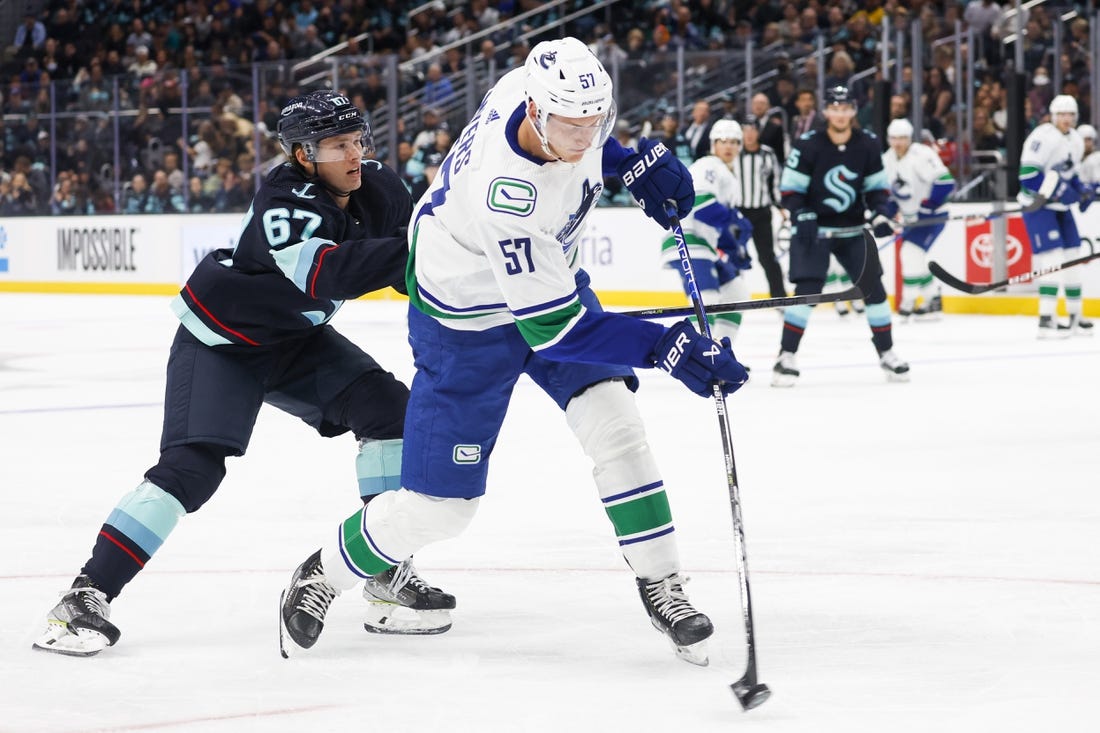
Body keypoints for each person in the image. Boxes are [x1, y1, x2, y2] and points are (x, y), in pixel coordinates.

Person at [277, 37, 748, 666]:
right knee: (440, 510)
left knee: (617, 429)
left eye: (595, 123)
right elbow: (561, 332)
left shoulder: (532, 93)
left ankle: (662, 582)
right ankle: (322, 573)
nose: (584, 138)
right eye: (571, 127)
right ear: (534, 110)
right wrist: (668, 346)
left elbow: (589, 148)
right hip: (465, 323)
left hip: (548, 291)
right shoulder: (508, 193)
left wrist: (628, 161)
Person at [33, 91, 455, 657]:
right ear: (303, 154)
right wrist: (423, 248)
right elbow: (324, 273)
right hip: (222, 342)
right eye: (336, 146)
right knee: (191, 469)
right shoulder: (285, 198)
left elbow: (413, 273)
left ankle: (381, 573)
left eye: (358, 141)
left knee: (390, 414)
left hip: (295, 341)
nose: (354, 156)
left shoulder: (377, 185)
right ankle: (82, 598)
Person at [772, 85, 910, 386]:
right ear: (826, 112)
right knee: (807, 293)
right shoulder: (808, 144)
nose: (840, 113)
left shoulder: (868, 144)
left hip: (851, 231)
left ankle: (887, 353)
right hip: (813, 232)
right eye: (834, 108)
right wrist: (802, 213)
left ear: (852, 111)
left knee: (873, 288)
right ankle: (786, 356)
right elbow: (790, 191)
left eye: (845, 108)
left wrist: (880, 213)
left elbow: (876, 191)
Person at [659, 119, 754, 345]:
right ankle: (703, 358)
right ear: (713, 144)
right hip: (687, 240)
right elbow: (701, 205)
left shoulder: (727, 174)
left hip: (703, 244)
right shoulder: (709, 165)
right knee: (707, 300)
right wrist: (736, 220)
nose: (728, 146)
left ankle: (721, 352)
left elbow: (718, 225)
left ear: (740, 146)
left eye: (733, 142)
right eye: (723, 141)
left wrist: (734, 249)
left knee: (735, 293)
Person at [1018, 95, 1094, 337]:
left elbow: (1071, 174)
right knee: (1052, 259)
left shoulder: (1076, 140)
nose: (1066, 119)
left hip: (1059, 208)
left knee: (1072, 257)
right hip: (1037, 205)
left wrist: (1081, 191)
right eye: (1061, 114)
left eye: (1070, 114)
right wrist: (1062, 191)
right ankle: (1046, 318)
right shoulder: (1042, 136)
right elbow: (1028, 175)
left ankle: (1075, 315)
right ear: (1052, 115)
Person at [882, 118, 956, 319]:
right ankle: (933, 298)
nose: (898, 143)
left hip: (932, 216)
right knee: (913, 256)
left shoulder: (922, 154)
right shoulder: (887, 159)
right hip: (910, 218)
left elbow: (946, 182)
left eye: (902, 138)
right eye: (894, 138)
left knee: (910, 252)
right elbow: (890, 193)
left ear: (910, 138)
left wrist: (927, 206)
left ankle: (909, 300)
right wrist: (885, 214)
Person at [735, 117, 788, 298]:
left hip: (761, 212)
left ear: (758, 132)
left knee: (767, 257)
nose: (749, 134)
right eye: (745, 129)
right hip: (737, 213)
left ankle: (779, 297)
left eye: (752, 129)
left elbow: (775, 183)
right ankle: (730, 295)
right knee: (732, 255)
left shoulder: (768, 154)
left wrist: (780, 207)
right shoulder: (734, 152)